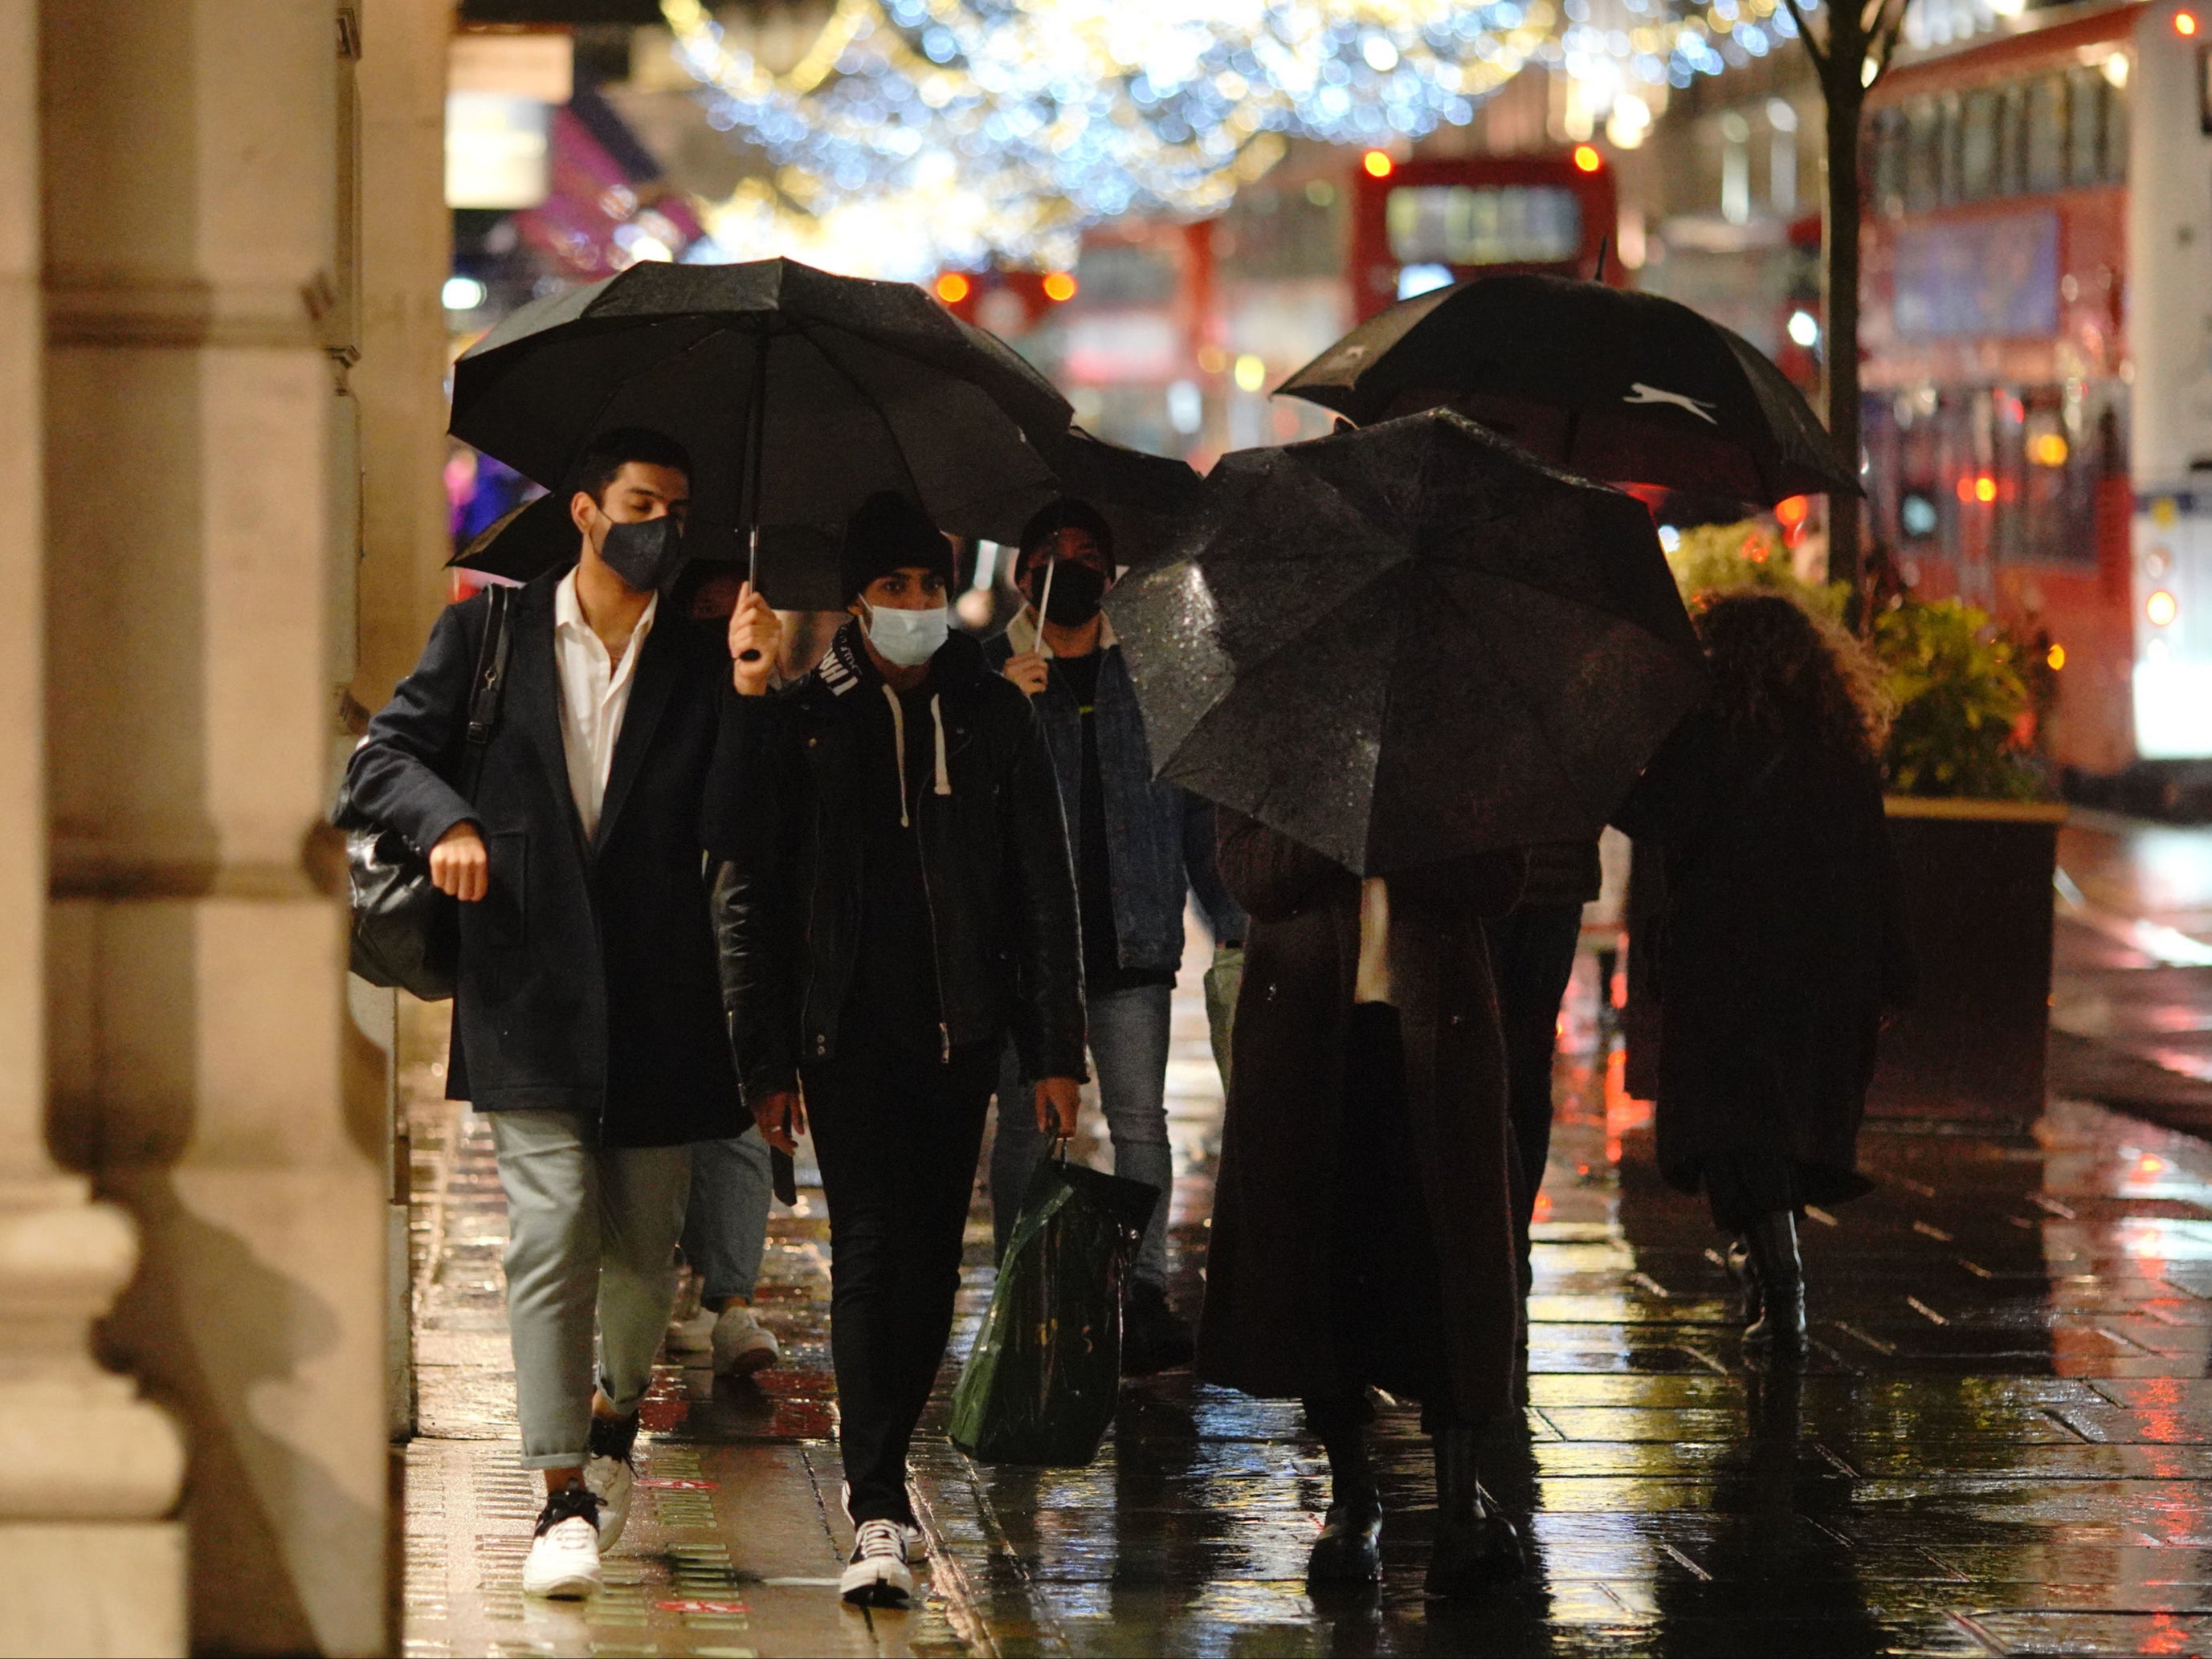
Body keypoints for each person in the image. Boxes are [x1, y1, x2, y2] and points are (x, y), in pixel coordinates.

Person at [346, 428, 743, 1598]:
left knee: (640, 1249)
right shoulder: (490, 633)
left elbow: (746, 821)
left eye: (674, 506)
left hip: (663, 998)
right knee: (551, 1224)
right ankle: (559, 1488)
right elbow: (378, 762)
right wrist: (448, 822)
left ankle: (618, 1419)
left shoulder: (703, 656)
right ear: (583, 510)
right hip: (526, 985)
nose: (657, 524)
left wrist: (760, 695)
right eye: (637, 502)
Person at [707, 490, 1086, 1609]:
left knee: (930, 1257)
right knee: (872, 1244)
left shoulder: (992, 715)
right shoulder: (800, 718)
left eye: (926, 586)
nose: (913, 606)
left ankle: (887, 1467)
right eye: (892, 588)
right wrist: (765, 1060)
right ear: (858, 602)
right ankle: (875, 1500)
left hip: (958, 1030)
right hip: (844, 1033)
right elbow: (749, 897)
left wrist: (1052, 1046)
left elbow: (1039, 891)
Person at [1198, 812, 1529, 1597]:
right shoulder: (1284, 733)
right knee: (1323, 1252)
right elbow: (1251, 875)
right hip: (1307, 1044)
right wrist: (1343, 824)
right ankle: (1351, 1491)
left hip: (1435, 1040)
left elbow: (1499, 879)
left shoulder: (1451, 730)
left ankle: (1461, 1500)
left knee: (1446, 1258)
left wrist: (1404, 833)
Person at [1613, 592, 1914, 1352]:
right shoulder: (1838, 742)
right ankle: (1773, 1264)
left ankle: (1780, 1279)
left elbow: (1645, 812)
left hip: (1729, 962)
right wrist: (1891, 971)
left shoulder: (1707, 732)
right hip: (1828, 969)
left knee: (1732, 1124)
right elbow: (1878, 864)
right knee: (1787, 1123)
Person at [985, 498, 1246, 1372]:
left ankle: (1143, 1289)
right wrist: (999, 711)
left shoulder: (1152, 675)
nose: (1073, 567)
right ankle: (1019, 1287)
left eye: (1090, 552)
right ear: (1023, 575)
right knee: (1025, 1126)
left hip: (1132, 933)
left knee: (1141, 1119)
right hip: (1030, 951)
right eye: (1054, 554)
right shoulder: (993, 675)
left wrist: (1232, 922)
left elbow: (1196, 811)